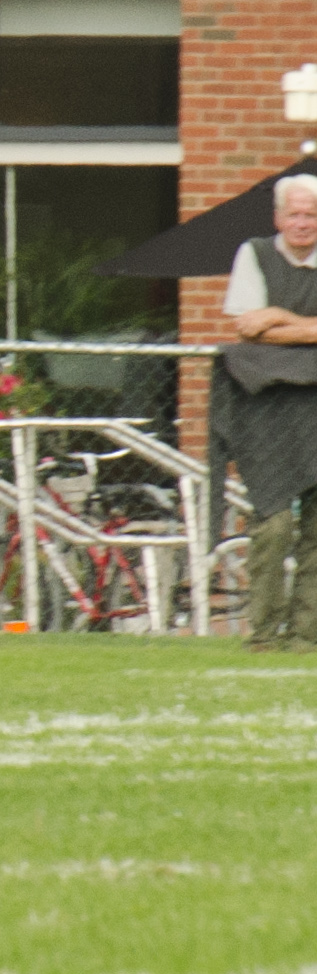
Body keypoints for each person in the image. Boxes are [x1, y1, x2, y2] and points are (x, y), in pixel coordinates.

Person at [219, 173, 317, 651]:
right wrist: (306, 329)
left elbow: (264, 325)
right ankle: (263, 634)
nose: (303, 223)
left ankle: (306, 636)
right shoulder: (253, 254)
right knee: (273, 524)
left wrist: (277, 317)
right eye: (294, 214)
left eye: (311, 215)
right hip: (267, 409)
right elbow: (247, 329)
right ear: (279, 218)